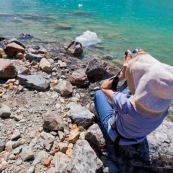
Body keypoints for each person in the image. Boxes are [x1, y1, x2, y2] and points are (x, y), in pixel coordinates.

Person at [94, 49, 173, 145]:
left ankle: (102, 118)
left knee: (98, 93)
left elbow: (104, 88)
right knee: (122, 92)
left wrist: (122, 75)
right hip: (139, 138)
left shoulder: (126, 105)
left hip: (117, 136)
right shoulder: (165, 108)